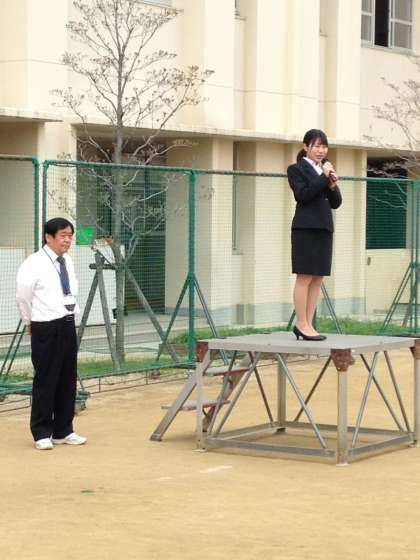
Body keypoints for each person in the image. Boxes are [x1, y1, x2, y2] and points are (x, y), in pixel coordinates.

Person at [16, 217, 87, 450]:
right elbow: (23, 296)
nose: (67, 240)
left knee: (67, 378)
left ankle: (63, 430)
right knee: (46, 379)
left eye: (70, 236)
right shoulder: (34, 263)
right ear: (49, 237)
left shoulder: (67, 261)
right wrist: (29, 321)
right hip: (45, 325)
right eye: (63, 236)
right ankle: (41, 432)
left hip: (67, 323)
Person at [287, 129, 342, 341]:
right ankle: (301, 323)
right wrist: (323, 177)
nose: (321, 150)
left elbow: (336, 203)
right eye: (317, 146)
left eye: (324, 146)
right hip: (305, 229)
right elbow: (303, 195)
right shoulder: (295, 169)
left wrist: (333, 186)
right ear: (306, 147)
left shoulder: (324, 170)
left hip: (324, 228)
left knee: (318, 278)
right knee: (304, 277)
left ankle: (308, 324)